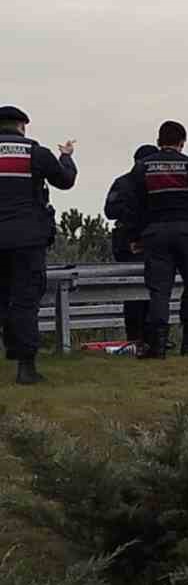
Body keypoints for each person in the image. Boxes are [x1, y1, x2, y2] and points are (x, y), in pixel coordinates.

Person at [0, 106, 76, 384]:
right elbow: (65, 181)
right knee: (25, 300)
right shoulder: (35, 153)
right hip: (26, 240)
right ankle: (25, 366)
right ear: (22, 126)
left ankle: (11, 348)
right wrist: (66, 158)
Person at [132, 120, 188, 358]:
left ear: (158, 141)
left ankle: (158, 346)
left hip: (155, 235)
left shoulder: (142, 167)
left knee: (159, 290)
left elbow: (134, 207)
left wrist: (136, 236)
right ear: (182, 142)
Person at [104, 144, 158, 345]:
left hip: (142, 241)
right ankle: (138, 338)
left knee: (148, 293)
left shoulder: (123, 182)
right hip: (130, 243)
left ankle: (145, 338)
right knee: (137, 293)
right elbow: (110, 211)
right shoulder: (124, 183)